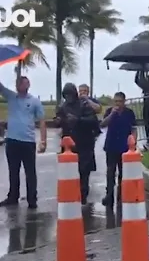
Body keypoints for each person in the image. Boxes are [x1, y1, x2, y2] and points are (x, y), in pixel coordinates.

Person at [0, 77, 46, 209]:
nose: (19, 85)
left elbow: (42, 121)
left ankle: (32, 199)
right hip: (12, 140)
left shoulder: (34, 101)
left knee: (30, 172)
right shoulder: (11, 97)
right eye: (17, 83)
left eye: (23, 82)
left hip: (28, 141)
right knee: (13, 170)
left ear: (28, 85)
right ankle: (13, 196)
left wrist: (43, 141)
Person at [55, 83, 100, 205]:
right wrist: (58, 121)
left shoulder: (84, 104)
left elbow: (93, 121)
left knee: (84, 170)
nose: (69, 97)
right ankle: (72, 193)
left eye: (71, 95)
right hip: (69, 143)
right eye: (66, 95)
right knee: (69, 170)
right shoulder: (63, 106)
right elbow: (58, 121)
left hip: (85, 142)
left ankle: (83, 194)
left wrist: (78, 120)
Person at [100, 92, 137, 208]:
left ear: (124, 102)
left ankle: (121, 195)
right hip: (111, 145)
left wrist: (133, 141)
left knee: (123, 172)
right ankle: (109, 195)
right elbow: (102, 124)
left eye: (120, 101)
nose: (118, 104)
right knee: (110, 172)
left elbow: (134, 128)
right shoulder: (110, 111)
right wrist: (111, 114)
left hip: (124, 146)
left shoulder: (129, 113)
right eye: (116, 101)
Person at [135, 71, 149, 143]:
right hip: (147, 106)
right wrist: (140, 71)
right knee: (147, 122)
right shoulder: (145, 85)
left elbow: (137, 80)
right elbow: (137, 80)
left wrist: (140, 71)